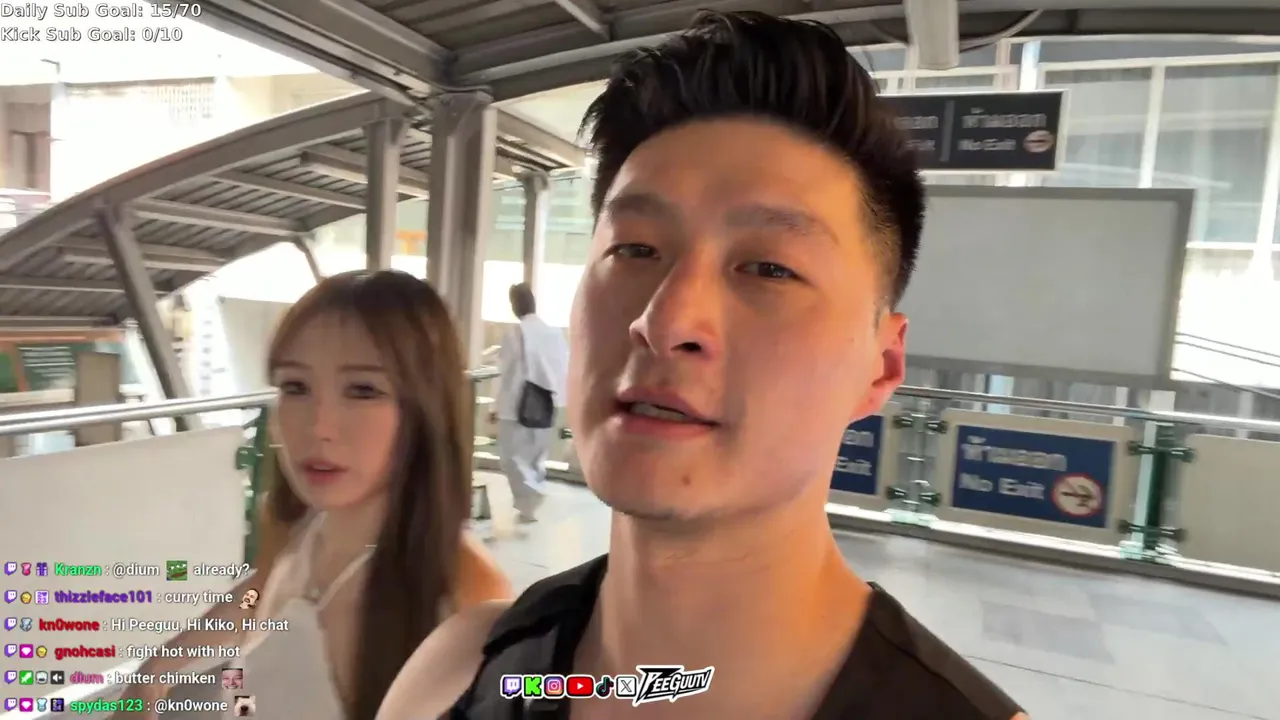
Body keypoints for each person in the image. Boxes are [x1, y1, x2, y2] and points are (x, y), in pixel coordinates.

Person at [382, 11, 1028, 720]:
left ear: (881, 366)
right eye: (634, 249)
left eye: (769, 268)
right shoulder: (473, 673)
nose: (663, 321)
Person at [113, 270, 511, 720]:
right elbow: (253, 597)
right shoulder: (299, 527)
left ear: (425, 408)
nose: (319, 425)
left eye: (363, 391)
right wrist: (153, 674)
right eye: (295, 387)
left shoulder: (465, 590)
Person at [491, 282, 569, 522]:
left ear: (515, 305)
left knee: (511, 457)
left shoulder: (514, 333)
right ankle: (529, 506)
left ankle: (532, 497)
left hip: (515, 405)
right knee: (536, 456)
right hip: (546, 403)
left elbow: (504, 371)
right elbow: (562, 368)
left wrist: (494, 406)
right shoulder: (554, 333)